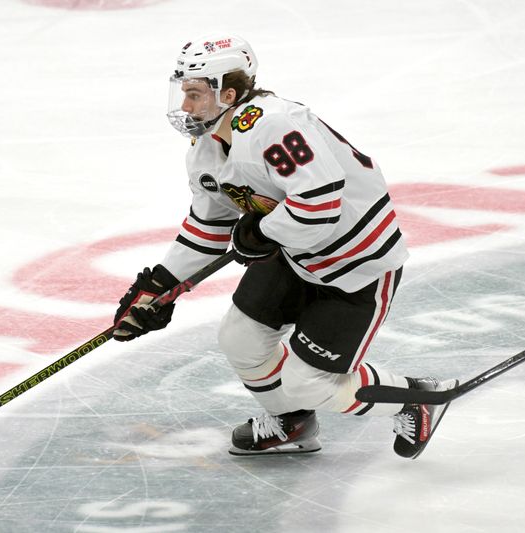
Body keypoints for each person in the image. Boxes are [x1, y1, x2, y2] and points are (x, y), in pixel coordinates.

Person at [112, 35, 457, 459]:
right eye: (184, 93)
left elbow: (321, 201)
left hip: (356, 265)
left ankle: (415, 398)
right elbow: (209, 226)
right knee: (240, 339)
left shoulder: (274, 124)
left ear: (229, 93)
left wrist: (260, 233)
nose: (185, 106)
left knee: (308, 382)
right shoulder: (206, 150)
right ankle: (293, 423)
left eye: (195, 94)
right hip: (294, 253)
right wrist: (160, 286)